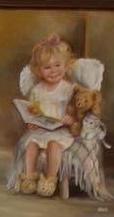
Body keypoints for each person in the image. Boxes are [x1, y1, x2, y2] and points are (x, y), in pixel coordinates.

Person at [11, 36, 80, 197]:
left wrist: (71, 120)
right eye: (47, 67)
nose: (53, 70)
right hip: (41, 130)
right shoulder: (37, 90)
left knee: (53, 145)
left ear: (66, 66)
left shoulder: (69, 89)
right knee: (31, 145)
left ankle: (49, 180)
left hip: (61, 131)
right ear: (38, 70)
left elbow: (76, 113)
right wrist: (31, 123)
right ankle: (30, 177)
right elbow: (33, 112)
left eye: (57, 65)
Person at [58, 85, 113, 202]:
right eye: (78, 100)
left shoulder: (92, 117)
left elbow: (90, 130)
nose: (80, 103)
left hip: (85, 139)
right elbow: (73, 127)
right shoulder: (73, 110)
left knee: (81, 150)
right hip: (75, 135)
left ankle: (90, 182)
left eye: (85, 101)